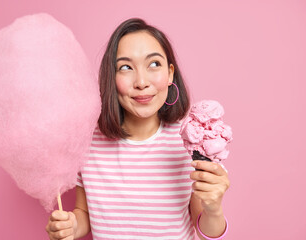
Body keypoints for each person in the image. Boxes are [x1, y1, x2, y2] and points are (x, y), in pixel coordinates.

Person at [45, 18, 230, 240]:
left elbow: (207, 232)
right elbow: (84, 212)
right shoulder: (88, 141)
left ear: (170, 73)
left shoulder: (189, 141)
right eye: (125, 67)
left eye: (154, 64)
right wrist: (71, 227)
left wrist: (214, 208)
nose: (141, 82)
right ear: (111, 78)